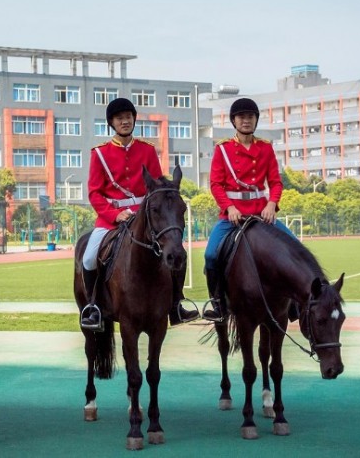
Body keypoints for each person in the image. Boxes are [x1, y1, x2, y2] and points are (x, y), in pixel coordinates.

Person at [79, 97, 199, 331]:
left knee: (175, 251)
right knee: (89, 258)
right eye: (119, 118)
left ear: (134, 119)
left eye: (128, 117)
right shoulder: (100, 154)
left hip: (145, 218)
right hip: (111, 219)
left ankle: (176, 305)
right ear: (112, 123)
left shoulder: (147, 150)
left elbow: (156, 187)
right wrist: (115, 215)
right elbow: (94, 193)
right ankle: (94, 306)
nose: (125, 121)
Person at [203, 97, 296, 321]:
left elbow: (275, 182)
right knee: (210, 255)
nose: (246, 120)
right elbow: (216, 185)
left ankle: (294, 304)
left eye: (250, 116)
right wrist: (230, 207)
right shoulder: (223, 150)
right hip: (232, 215)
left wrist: (272, 204)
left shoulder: (265, 148)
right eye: (241, 117)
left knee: (295, 247)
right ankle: (218, 304)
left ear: (256, 120)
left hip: (261, 213)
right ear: (234, 121)